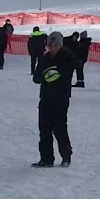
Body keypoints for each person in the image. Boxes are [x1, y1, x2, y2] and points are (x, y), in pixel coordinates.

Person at [32, 32, 77, 168]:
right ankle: (46, 158)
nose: (53, 48)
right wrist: (44, 76)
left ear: (60, 45)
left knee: (59, 128)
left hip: (61, 98)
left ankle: (66, 156)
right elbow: (36, 77)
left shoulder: (67, 57)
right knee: (44, 129)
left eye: (56, 45)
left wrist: (60, 69)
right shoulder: (45, 58)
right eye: (50, 45)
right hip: (45, 97)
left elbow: (77, 63)